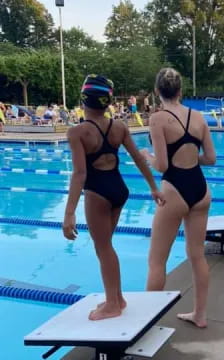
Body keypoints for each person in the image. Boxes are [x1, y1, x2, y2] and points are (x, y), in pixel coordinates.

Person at [62, 75, 164, 321]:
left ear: (84, 100)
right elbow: (139, 158)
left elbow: (80, 173)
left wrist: (69, 212)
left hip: (98, 193)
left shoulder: (78, 132)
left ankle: (112, 304)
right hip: (119, 189)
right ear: (107, 102)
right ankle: (117, 298)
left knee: (104, 248)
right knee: (106, 246)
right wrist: (153, 187)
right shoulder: (119, 127)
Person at [142, 68, 216, 328]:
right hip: (200, 188)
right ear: (181, 91)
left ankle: (146, 324)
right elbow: (211, 158)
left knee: (156, 260)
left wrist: (145, 158)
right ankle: (200, 314)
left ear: (156, 91)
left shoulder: (158, 118)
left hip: (174, 188)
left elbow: (161, 165)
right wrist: (190, 157)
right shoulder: (198, 117)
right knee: (197, 255)